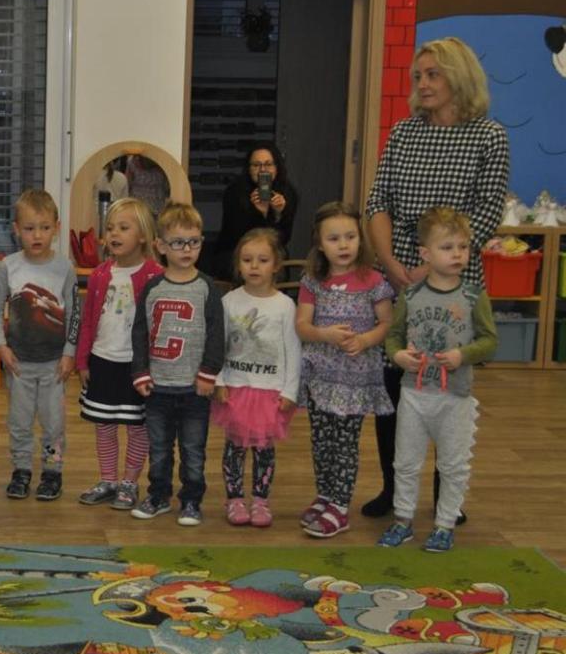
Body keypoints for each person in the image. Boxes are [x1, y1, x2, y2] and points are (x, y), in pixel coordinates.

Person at [364, 37, 510, 523]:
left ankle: (447, 496)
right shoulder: (404, 133)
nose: (422, 84)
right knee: (395, 384)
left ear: (459, 77)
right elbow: (378, 202)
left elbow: (486, 212)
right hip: (399, 273)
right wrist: (391, 264)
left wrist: (433, 266)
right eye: (417, 76)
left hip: (453, 277)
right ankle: (393, 489)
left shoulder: (489, 136)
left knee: (448, 388)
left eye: (432, 74)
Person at [378, 207, 498, 553]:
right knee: (405, 461)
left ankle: (445, 524)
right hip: (414, 394)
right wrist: (399, 356)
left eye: (463, 246)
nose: (457, 254)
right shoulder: (411, 295)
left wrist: (464, 354)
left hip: (455, 396)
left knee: (453, 465)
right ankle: (402, 520)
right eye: (448, 247)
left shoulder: (474, 296)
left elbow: (489, 341)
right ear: (425, 254)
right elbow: (394, 335)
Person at [295, 202, 394, 539]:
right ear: (320, 243)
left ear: (360, 239)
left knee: (345, 442)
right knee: (321, 440)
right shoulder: (313, 281)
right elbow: (302, 325)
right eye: (334, 238)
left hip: (354, 379)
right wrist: (324, 335)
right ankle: (325, 495)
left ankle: (340, 505)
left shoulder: (373, 280)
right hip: (319, 377)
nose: (343, 245)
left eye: (350, 237)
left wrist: (365, 340)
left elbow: (387, 323)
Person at [130, 203, 224, 527]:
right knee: (158, 449)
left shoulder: (207, 288)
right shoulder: (153, 288)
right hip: (158, 387)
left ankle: (192, 500)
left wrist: (208, 374)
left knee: (193, 450)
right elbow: (139, 331)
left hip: (194, 388)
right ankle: (158, 496)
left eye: (194, 242)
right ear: (160, 245)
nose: (186, 249)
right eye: (178, 242)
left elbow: (217, 335)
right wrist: (140, 372)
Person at [0, 188, 81, 502]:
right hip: (19, 363)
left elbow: (74, 312)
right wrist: (0, 346)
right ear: (16, 229)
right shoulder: (7, 267)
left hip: (54, 364)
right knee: (19, 422)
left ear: (56, 228)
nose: (37, 235)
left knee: (54, 424)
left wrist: (70, 353)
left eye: (44, 227)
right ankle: (21, 470)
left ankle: (52, 472)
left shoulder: (65, 268)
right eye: (29, 228)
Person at [76, 198, 163, 511]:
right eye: (110, 228)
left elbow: (159, 326)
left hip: (137, 367)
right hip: (103, 360)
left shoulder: (156, 275)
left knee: (137, 426)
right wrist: (82, 360)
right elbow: (88, 320)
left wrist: (154, 366)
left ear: (143, 236)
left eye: (124, 228)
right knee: (104, 425)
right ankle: (109, 480)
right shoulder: (100, 274)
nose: (114, 233)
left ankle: (129, 482)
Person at [211, 229, 300, 528]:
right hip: (236, 387)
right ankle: (234, 499)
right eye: (247, 260)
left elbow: (292, 350)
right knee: (234, 447)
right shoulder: (229, 301)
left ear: (276, 265)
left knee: (264, 449)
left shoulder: (285, 305)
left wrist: (290, 390)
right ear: (238, 264)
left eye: (262, 260)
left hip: (269, 390)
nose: (254, 266)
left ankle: (261, 501)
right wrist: (219, 380)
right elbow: (218, 344)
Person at [210, 142, 298, 281]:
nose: (262, 170)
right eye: (256, 165)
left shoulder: (287, 192)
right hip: (236, 249)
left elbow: (284, 238)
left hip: (270, 251)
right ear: (249, 169)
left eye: (268, 164)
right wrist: (258, 213)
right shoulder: (234, 192)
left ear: (277, 168)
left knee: (279, 256)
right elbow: (236, 235)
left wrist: (278, 214)